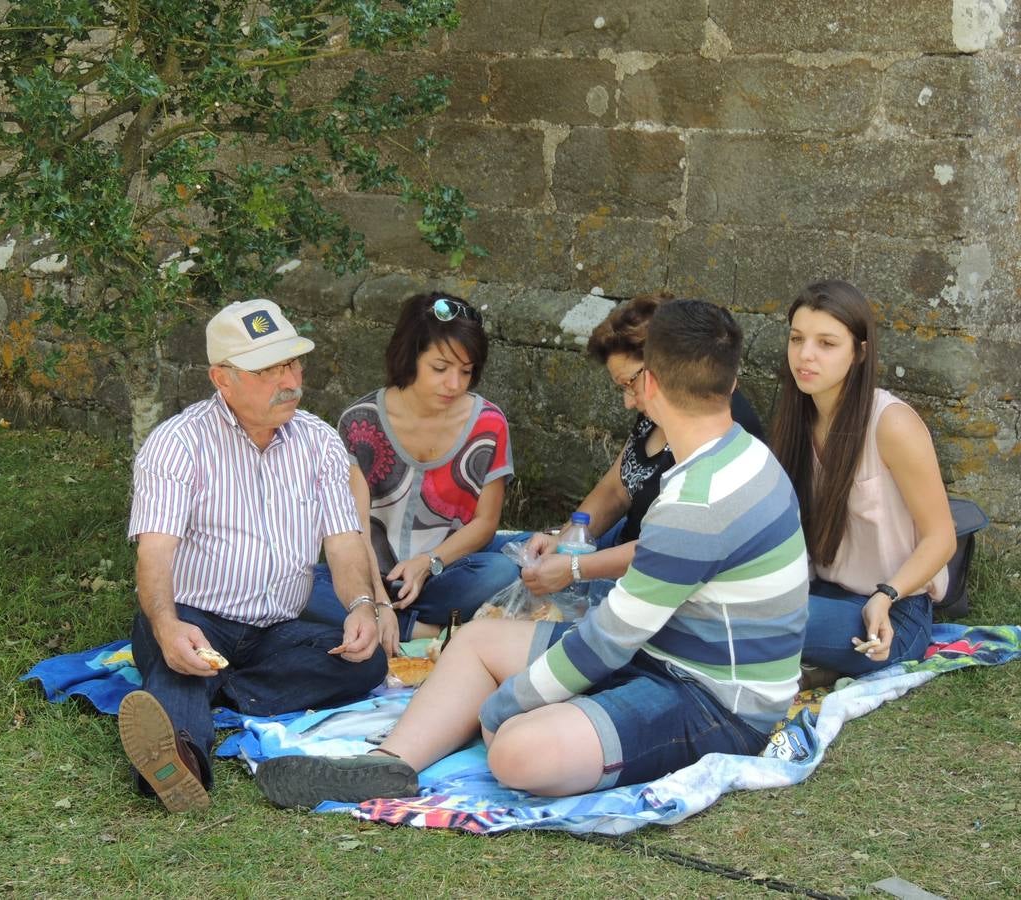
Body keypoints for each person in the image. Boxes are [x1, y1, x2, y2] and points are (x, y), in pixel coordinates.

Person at [254, 299, 810, 808]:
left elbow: (607, 642)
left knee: (515, 751)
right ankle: (390, 763)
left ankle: (515, 723)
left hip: (715, 700)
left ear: (650, 384)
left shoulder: (698, 501)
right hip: (662, 652)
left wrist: (504, 705)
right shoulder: (740, 455)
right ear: (733, 378)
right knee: (474, 641)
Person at [119, 298, 387, 813]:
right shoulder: (177, 443)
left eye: (292, 362)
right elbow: (154, 554)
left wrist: (360, 606)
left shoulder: (319, 441)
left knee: (364, 662)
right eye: (268, 369)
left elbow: (345, 541)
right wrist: (167, 625)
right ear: (223, 378)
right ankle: (182, 763)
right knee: (181, 661)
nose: (290, 380)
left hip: (278, 628)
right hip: (197, 617)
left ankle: (216, 690)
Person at [302, 293, 517, 652]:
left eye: (466, 372)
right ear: (409, 357)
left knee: (502, 571)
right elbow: (353, 527)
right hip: (367, 578)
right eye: (440, 368)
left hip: (443, 573)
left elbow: (485, 523)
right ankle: (424, 630)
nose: (455, 384)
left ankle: (392, 626)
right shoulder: (360, 421)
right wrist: (377, 602)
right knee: (296, 587)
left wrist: (427, 563)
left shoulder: (489, 424)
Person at [512, 294, 765, 599]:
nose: (628, 402)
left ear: (662, 366)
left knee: (498, 578)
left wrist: (575, 566)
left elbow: (670, 547)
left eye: (630, 383)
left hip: (661, 580)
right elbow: (616, 487)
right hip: (620, 548)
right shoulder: (656, 413)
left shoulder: (712, 428)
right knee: (516, 558)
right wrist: (566, 538)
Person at [770, 280, 957, 680]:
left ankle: (796, 666)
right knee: (732, 605)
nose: (805, 355)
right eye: (797, 338)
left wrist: (886, 594)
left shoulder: (891, 424)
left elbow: (942, 538)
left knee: (757, 622)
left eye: (827, 343)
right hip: (819, 594)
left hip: (893, 613)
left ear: (859, 352)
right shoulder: (796, 421)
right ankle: (804, 666)